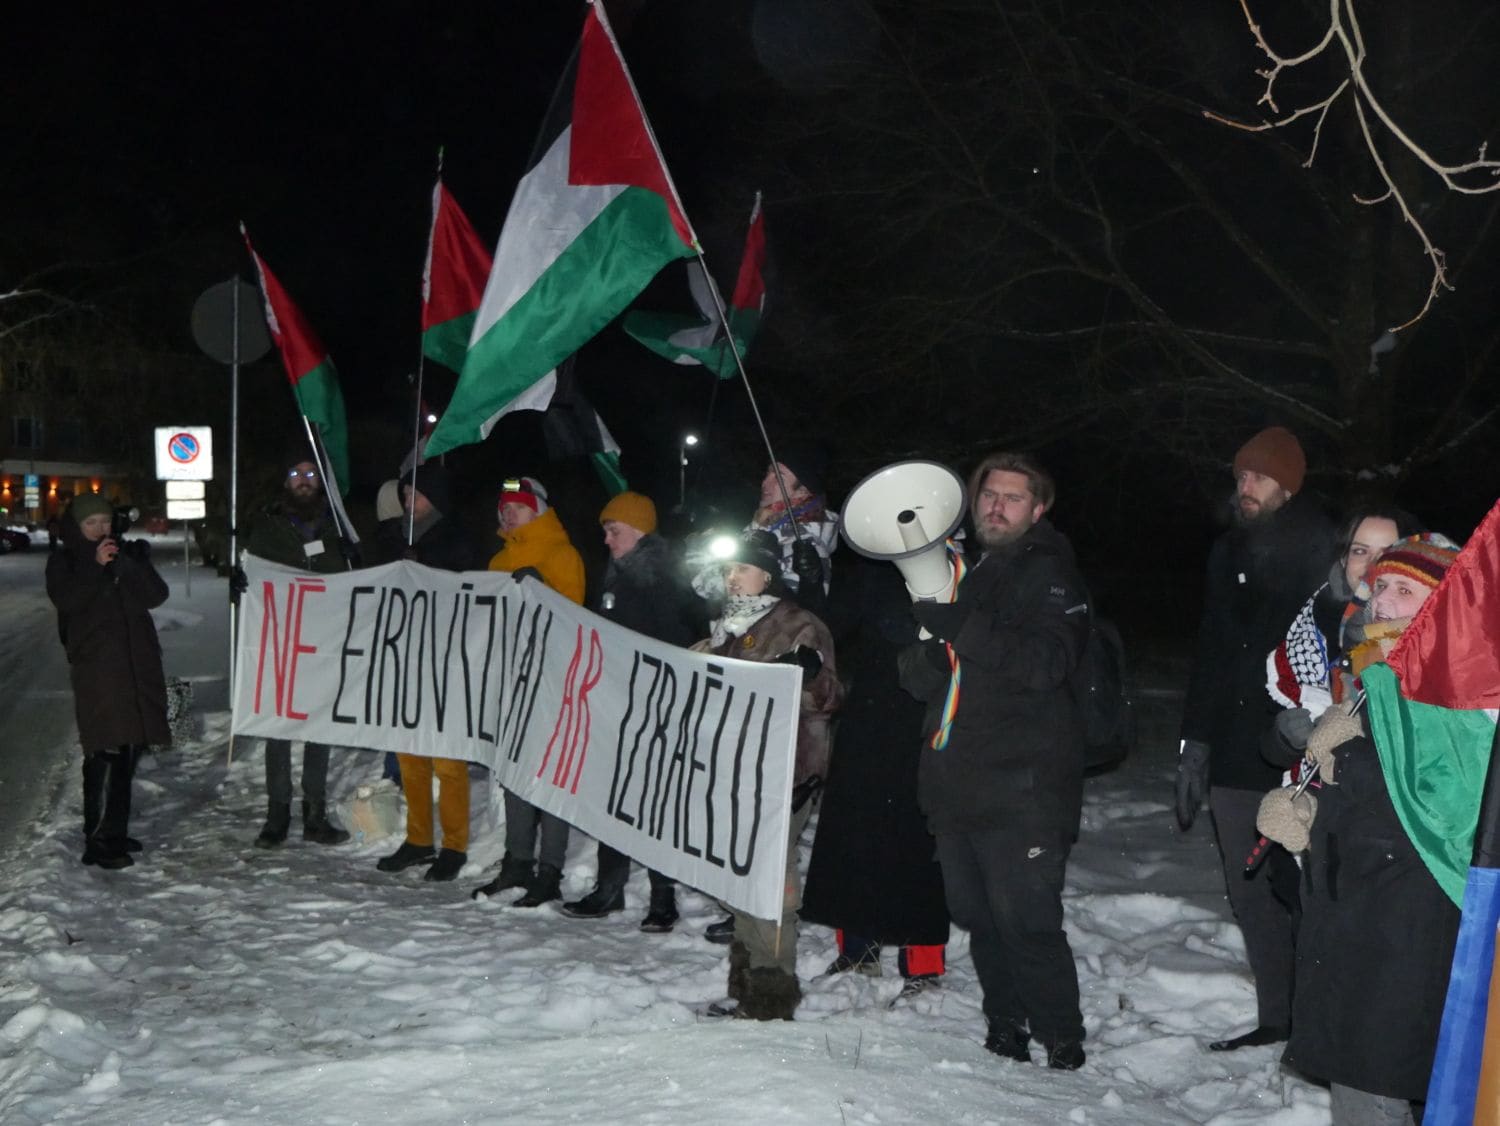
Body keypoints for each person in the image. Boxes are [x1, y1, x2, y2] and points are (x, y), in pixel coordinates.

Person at [1256, 535, 1464, 1125]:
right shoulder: (1383, 672)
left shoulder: (1449, 684)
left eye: (1406, 590)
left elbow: (1439, 805)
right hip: (1362, 906)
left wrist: (1345, 770)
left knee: (1378, 1072)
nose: (1383, 604)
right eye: (1380, 589)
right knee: (1367, 1072)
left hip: (1409, 919)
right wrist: (1309, 822)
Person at [900, 451, 1090, 1069]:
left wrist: (960, 625)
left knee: (1027, 919)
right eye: (989, 495)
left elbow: (1045, 664)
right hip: (960, 784)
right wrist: (926, 654)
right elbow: (928, 677)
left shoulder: (1052, 575)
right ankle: (1005, 1025)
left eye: (1012, 498)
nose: (995, 506)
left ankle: (1062, 1039)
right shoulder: (969, 571)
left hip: (1024, 786)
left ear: (1038, 510)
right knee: (979, 917)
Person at [1176, 425, 1336, 1052]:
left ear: (1288, 486)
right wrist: (1194, 741)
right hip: (1236, 747)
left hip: (1299, 747)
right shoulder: (1227, 552)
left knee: (1301, 887)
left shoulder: (1325, 551)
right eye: (1240, 476)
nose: (1245, 487)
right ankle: (1279, 1018)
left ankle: (1321, 1024)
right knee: (1247, 886)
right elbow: (1213, 649)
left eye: (1260, 477)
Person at [699, 529, 844, 1020]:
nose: (731, 579)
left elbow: (827, 698)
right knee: (743, 878)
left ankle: (771, 991)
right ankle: (747, 983)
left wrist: (804, 678)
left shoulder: (798, 625)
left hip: (786, 773)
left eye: (740, 568)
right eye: (726, 570)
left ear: (767, 574)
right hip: (736, 773)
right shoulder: (725, 631)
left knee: (772, 881)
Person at [801, 555, 950, 998]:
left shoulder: (958, 567)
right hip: (868, 715)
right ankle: (858, 949)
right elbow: (832, 626)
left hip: (924, 720)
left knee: (917, 837)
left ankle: (922, 963)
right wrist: (814, 586)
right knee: (857, 829)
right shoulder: (870, 569)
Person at [560, 492, 697, 932]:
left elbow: (677, 643)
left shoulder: (663, 579)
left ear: (638, 531)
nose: (605, 539)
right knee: (612, 797)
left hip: (655, 709)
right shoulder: (615, 575)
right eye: (604, 530)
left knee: (653, 803)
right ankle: (610, 888)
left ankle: (663, 897)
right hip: (616, 705)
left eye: (613, 530)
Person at [469, 476, 585, 907]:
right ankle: (518, 859)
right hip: (509, 681)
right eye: (503, 506)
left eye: (516, 505)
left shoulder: (562, 552)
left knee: (550, 775)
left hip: (551, 683)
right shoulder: (499, 559)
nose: (508, 512)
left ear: (536, 508)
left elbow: (574, 616)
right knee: (513, 773)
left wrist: (543, 588)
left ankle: (549, 869)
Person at [46, 494, 170, 869]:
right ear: (78, 527)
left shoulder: (125, 553)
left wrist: (131, 565)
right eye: (91, 524)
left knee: (128, 746)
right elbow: (67, 600)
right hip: (98, 668)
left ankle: (114, 830)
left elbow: (157, 596)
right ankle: (97, 839)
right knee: (106, 748)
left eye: (105, 521)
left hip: (136, 664)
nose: (101, 530)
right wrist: (97, 569)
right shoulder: (65, 560)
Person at [376, 463, 481, 882]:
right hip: (405, 661)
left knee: (448, 761)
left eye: (415, 495)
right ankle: (419, 839)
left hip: (446, 664)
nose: (407, 501)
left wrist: (425, 565)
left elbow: (466, 587)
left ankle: (454, 845)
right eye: (405, 494)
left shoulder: (457, 537)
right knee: (410, 755)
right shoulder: (394, 537)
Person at [242, 453, 351, 848]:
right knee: (279, 726)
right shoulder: (269, 524)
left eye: (310, 474)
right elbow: (256, 572)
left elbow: (346, 576)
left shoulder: (336, 525)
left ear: (320, 483)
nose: (303, 480)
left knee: (318, 725)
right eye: (295, 473)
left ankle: (315, 814)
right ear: (285, 482)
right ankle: (277, 813)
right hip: (281, 641)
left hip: (322, 641)